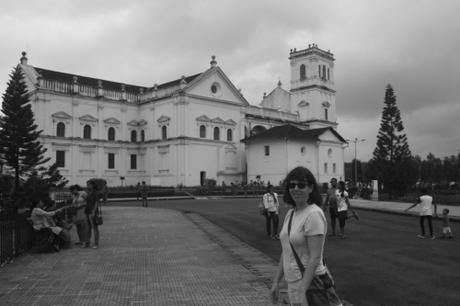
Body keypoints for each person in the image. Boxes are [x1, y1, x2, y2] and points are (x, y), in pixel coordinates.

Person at [270, 166, 342, 306]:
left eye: (301, 185)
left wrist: (302, 289)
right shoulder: (291, 213)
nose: (295, 188)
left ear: (310, 188)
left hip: (311, 283)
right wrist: (276, 282)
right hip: (294, 283)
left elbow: (315, 257)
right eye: (292, 185)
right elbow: (286, 251)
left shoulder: (313, 214)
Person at [85, 180, 100, 248]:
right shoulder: (88, 192)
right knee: (88, 228)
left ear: (92, 185)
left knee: (94, 228)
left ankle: (96, 243)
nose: (87, 186)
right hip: (87, 211)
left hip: (92, 212)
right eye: (87, 184)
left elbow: (96, 202)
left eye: (89, 184)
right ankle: (87, 242)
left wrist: (94, 211)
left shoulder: (95, 192)